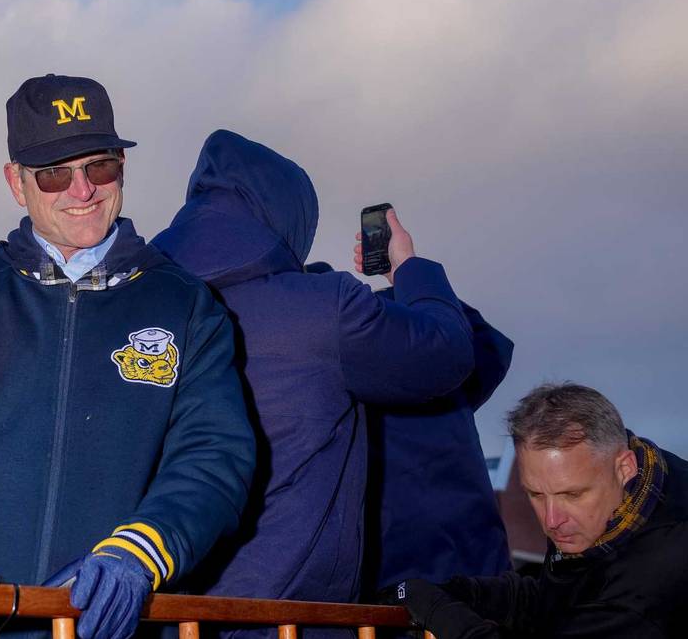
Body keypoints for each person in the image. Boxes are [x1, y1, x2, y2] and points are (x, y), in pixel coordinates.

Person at [0, 75, 256, 639]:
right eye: (54, 174)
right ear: (16, 183)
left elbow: (214, 458)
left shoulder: (186, 304)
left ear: (122, 166)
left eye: (99, 167)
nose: (82, 190)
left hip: (93, 623)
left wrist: (141, 552)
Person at [151, 129, 475, 638]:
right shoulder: (324, 309)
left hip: (165, 616)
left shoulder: (137, 303)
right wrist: (409, 269)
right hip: (291, 618)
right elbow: (444, 353)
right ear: (291, 219)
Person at [385, 383, 688, 638]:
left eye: (572, 494)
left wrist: (438, 612)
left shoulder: (655, 575)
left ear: (624, 468)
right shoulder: (624, 498)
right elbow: (554, 599)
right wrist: (456, 592)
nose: (552, 520)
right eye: (536, 494)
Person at [362, 290, 513, 593]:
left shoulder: (340, 324)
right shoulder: (417, 308)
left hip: (390, 569)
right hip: (476, 560)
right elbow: (491, 349)